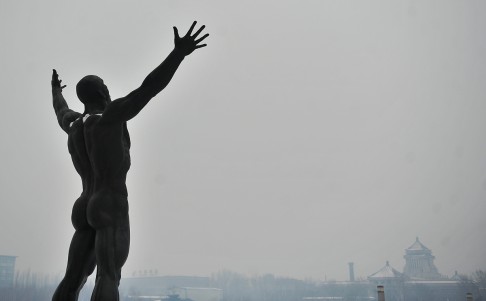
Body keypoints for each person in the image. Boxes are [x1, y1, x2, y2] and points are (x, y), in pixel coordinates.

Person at [51, 21, 209, 301]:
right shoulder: (110, 118)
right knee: (108, 276)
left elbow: (60, 110)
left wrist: (56, 91)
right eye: (105, 86)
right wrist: (178, 55)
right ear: (102, 93)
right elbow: (148, 88)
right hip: (109, 203)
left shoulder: (74, 125)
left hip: (83, 203)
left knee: (72, 279)